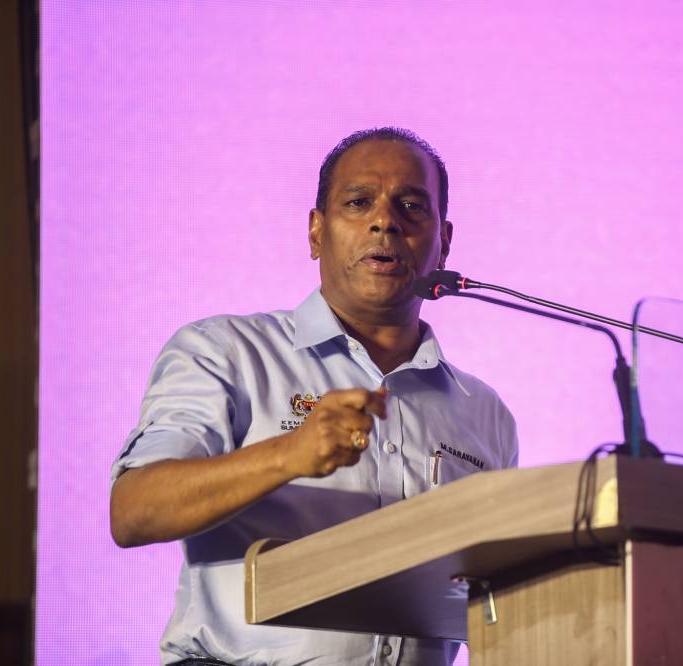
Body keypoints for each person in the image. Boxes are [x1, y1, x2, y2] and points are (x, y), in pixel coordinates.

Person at [109, 127, 519, 665]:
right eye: (358, 202)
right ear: (315, 232)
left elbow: (492, 601)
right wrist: (288, 455)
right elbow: (134, 511)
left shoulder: (484, 414)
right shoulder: (226, 353)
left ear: (443, 240)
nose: (385, 220)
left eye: (411, 205)